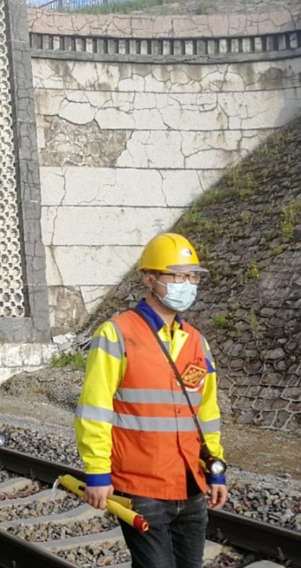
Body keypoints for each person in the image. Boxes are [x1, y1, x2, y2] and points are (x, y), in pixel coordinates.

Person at [75, 233, 228, 568]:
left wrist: (215, 466)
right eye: (177, 276)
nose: (186, 284)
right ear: (150, 279)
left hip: (190, 482)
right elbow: (95, 409)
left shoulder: (197, 342)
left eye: (192, 277)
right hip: (141, 485)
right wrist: (98, 471)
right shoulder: (117, 334)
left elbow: (207, 413)